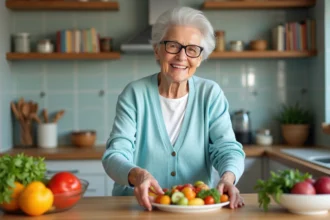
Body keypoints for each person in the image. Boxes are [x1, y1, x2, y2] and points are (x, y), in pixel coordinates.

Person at [102, 6, 245, 211]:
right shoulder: (134, 94)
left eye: (192, 49)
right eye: (173, 46)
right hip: (138, 208)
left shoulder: (210, 94)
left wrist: (228, 178)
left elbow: (227, 149)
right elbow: (115, 154)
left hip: (195, 208)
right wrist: (138, 175)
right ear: (157, 50)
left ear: (200, 58)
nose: (181, 56)